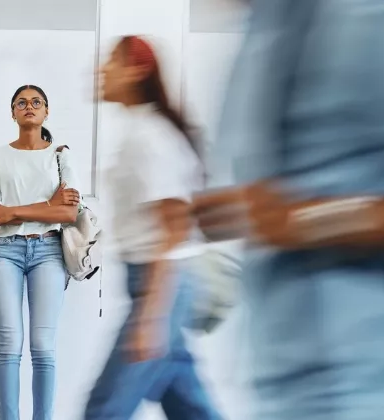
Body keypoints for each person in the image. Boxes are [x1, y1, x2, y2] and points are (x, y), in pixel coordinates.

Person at [194, 1, 384, 419]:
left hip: (364, 382)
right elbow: (268, 203)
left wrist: (304, 221)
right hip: (277, 381)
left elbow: (287, 216)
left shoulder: (368, 18)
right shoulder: (260, 30)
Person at [83, 36, 221, 420]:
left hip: (161, 286)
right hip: (155, 284)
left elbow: (174, 227)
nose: (100, 70)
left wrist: (153, 315)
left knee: (103, 410)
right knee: (190, 408)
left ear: (136, 71)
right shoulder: (140, 132)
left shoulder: (151, 136)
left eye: (111, 61)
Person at [0, 85, 82, 420]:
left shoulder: (60, 157)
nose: (29, 106)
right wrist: (47, 205)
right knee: (9, 346)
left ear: (46, 111)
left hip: (49, 250)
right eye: (22, 103)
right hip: (4, 251)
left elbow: (68, 214)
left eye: (36, 102)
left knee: (43, 349)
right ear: (13, 113)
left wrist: (15, 212)